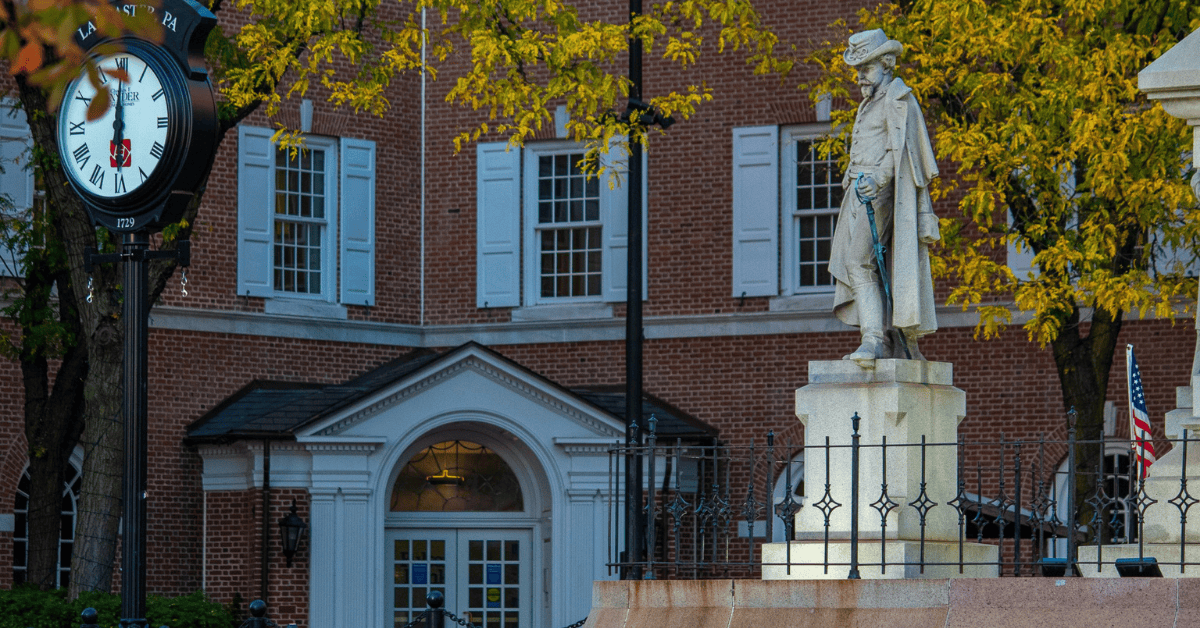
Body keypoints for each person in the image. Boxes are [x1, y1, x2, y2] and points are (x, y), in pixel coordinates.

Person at [829, 29, 940, 367]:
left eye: (866, 67)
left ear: (887, 63)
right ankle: (887, 338)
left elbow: (901, 151)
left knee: (858, 261)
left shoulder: (898, 99)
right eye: (858, 69)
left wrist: (877, 180)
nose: (860, 76)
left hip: (882, 193)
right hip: (856, 191)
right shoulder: (870, 102)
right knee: (867, 264)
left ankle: (874, 339)